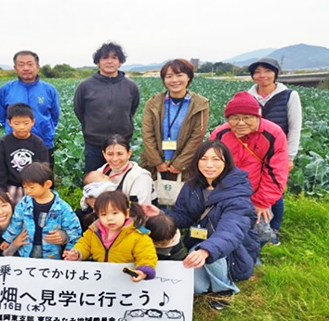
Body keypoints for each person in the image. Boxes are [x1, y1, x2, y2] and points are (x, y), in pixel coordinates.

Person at [151, 140, 260, 309]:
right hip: (200, 248)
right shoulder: (192, 186)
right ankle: (209, 280)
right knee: (197, 288)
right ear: (197, 161)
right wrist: (160, 214)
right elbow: (184, 216)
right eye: (204, 159)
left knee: (205, 250)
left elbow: (231, 232)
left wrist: (205, 250)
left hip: (232, 253)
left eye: (216, 159)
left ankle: (225, 289)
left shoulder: (237, 195)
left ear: (227, 162)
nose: (209, 165)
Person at [210, 92, 289, 245]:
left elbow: (276, 172)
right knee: (225, 224)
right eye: (234, 118)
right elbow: (210, 164)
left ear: (257, 116)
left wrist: (261, 202)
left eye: (247, 117)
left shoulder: (273, 134)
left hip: (257, 190)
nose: (240, 123)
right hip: (228, 190)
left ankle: (260, 245)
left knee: (258, 224)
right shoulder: (220, 134)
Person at [247, 57, 302, 245]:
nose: (262, 76)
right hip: (254, 152)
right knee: (257, 188)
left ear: (276, 73)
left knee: (276, 191)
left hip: (278, 152)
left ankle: (274, 228)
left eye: (267, 71)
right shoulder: (248, 96)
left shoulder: (289, 95)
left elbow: (295, 127)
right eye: (257, 72)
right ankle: (258, 224)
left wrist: (290, 156)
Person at [63, 191, 157, 282]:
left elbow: (147, 255)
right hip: (100, 280)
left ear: (126, 213)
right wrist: (77, 253)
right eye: (103, 214)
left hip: (126, 282)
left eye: (115, 213)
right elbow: (84, 244)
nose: (109, 218)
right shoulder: (93, 231)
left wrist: (143, 271)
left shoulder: (138, 235)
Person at [74, 42, 140, 172]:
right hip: (94, 145)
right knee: (95, 183)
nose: (109, 61)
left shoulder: (131, 86)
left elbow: (131, 110)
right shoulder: (85, 86)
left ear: (120, 62)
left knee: (121, 183)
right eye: (105, 58)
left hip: (121, 145)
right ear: (98, 62)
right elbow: (79, 111)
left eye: (114, 57)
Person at [140, 59, 209, 183]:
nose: (174, 80)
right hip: (155, 165)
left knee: (182, 200)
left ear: (188, 77)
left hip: (185, 167)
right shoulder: (153, 102)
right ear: (164, 80)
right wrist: (157, 162)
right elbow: (147, 134)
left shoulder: (200, 104)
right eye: (169, 76)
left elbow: (197, 137)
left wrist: (180, 164)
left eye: (179, 75)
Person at [2, 162, 82, 259]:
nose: (27, 191)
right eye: (25, 187)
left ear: (47, 184)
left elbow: (74, 230)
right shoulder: (24, 203)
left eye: (31, 187)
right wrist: (8, 239)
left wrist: (70, 249)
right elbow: (16, 223)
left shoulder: (62, 208)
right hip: (26, 249)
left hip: (52, 254)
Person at [0, 50, 60, 169]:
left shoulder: (49, 89)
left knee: (44, 177)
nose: (26, 68)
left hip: (44, 143)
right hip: (14, 144)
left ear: (37, 67)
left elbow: (55, 116)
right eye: (21, 64)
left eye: (30, 64)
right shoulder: (6, 89)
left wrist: (46, 130)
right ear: (15, 68)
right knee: (15, 179)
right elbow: (2, 116)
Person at [0, 103, 49, 204]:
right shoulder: (4, 143)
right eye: (17, 123)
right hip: (12, 187)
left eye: (26, 123)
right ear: (9, 122)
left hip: (34, 186)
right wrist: (3, 190)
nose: (22, 127)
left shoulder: (38, 143)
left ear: (33, 122)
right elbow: (0, 169)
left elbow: (45, 168)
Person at [98, 134, 154, 205]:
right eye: (110, 154)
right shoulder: (101, 171)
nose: (115, 159)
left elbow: (140, 210)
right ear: (104, 154)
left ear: (129, 154)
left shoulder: (140, 177)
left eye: (120, 154)